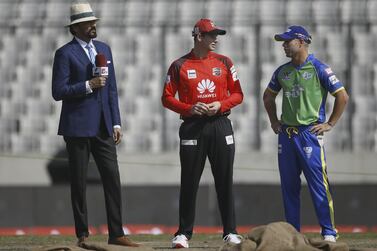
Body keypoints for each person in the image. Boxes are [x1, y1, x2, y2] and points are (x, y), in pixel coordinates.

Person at [51, 2, 139, 247]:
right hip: (77, 127)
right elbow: (58, 91)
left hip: (103, 127)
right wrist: (88, 85)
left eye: (94, 22)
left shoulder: (104, 50)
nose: (93, 26)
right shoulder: (65, 54)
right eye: (88, 23)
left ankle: (117, 232)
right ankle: (82, 233)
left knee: (112, 178)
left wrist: (117, 122)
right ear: (76, 27)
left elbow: (111, 90)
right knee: (78, 183)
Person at [161, 18, 244, 248]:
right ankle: (183, 234)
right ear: (199, 37)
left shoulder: (225, 62)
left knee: (225, 179)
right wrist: (189, 108)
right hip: (192, 126)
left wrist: (221, 105)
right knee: (189, 180)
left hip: (220, 124)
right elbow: (166, 98)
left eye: (217, 35)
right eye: (211, 35)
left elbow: (238, 94)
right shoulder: (179, 65)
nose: (215, 39)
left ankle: (231, 232)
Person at [263, 25, 349, 243]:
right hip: (287, 136)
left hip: (309, 134)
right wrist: (274, 121)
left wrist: (330, 123)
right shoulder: (282, 71)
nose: (283, 45)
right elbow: (268, 96)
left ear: (301, 42)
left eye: (287, 41)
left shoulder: (319, 68)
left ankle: (329, 232)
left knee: (318, 185)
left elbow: (342, 96)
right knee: (289, 187)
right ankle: (293, 234)